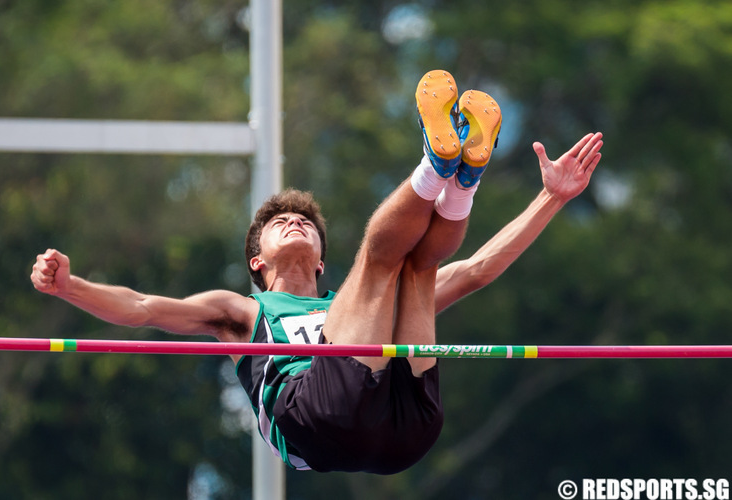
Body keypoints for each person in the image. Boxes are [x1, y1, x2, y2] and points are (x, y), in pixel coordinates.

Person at [30, 70, 603, 474]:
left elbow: (476, 269)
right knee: (383, 261)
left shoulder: (349, 307)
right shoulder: (244, 312)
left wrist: (550, 199)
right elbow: (142, 308)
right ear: (257, 260)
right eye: (281, 223)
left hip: (406, 434)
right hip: (317, 419)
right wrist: (68, 286)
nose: (297, 224)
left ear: (321, 261)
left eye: (305, 223)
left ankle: (461, 177)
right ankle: (437, 164)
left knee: (418, 272)